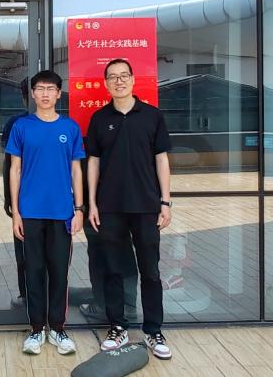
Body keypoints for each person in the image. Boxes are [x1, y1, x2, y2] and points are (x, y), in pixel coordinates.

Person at [86, 59, 174, 360]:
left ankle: (153, 330)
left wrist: (165, 201)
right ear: (106, 84)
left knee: (150, 271)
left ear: (133, 80)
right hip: (110, 208)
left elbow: (162, 160)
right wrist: (92, 203)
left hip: (146, 207)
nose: (119, 81)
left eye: (124, 75)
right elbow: (93, 162)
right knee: (113, 269)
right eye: (113, 77)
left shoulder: (152, 116)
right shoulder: (99, 119)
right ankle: (117, 326)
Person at [7, 70, 85, 356]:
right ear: (32, 93)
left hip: (62, 212)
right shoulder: (21, 126)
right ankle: (36, 329)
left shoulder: (70, 127)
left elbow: (77, 170)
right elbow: (14, 170)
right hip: (30, 212)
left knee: (59, 272)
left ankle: (58, 328)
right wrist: (16, 212)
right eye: (39, 88)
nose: (45, 94)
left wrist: (79, 209)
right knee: (34, 271)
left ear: (58, 93)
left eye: (50, 89)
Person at [0, 79, 30, 310]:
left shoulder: (14, 122)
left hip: (24, 198)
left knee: (23, 250)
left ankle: (26, 294)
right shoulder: (16, 123)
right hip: (27, 199)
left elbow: (7, 164)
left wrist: (10, 200)